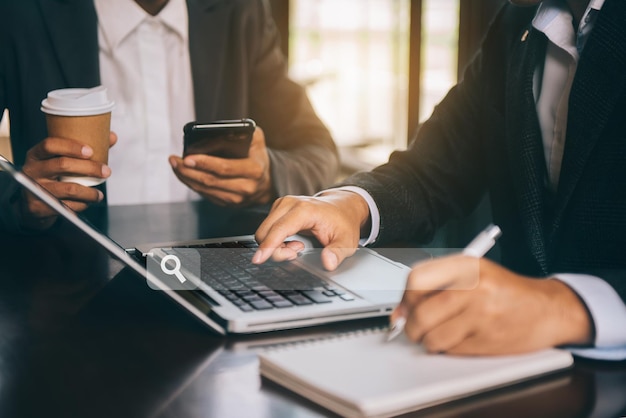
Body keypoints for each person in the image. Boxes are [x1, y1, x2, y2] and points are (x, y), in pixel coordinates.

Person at [252, 0, 626, 360]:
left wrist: (560, 308)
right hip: (507, 367)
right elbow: (432, 170)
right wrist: (351, 204)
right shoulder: (516, 24)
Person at [0, 0, 338, 231]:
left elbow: (317, 153)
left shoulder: (241, 10)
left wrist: (267, 178)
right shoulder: (19, 13)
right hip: (61, 288)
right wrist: (18, 200)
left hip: (210, 280)